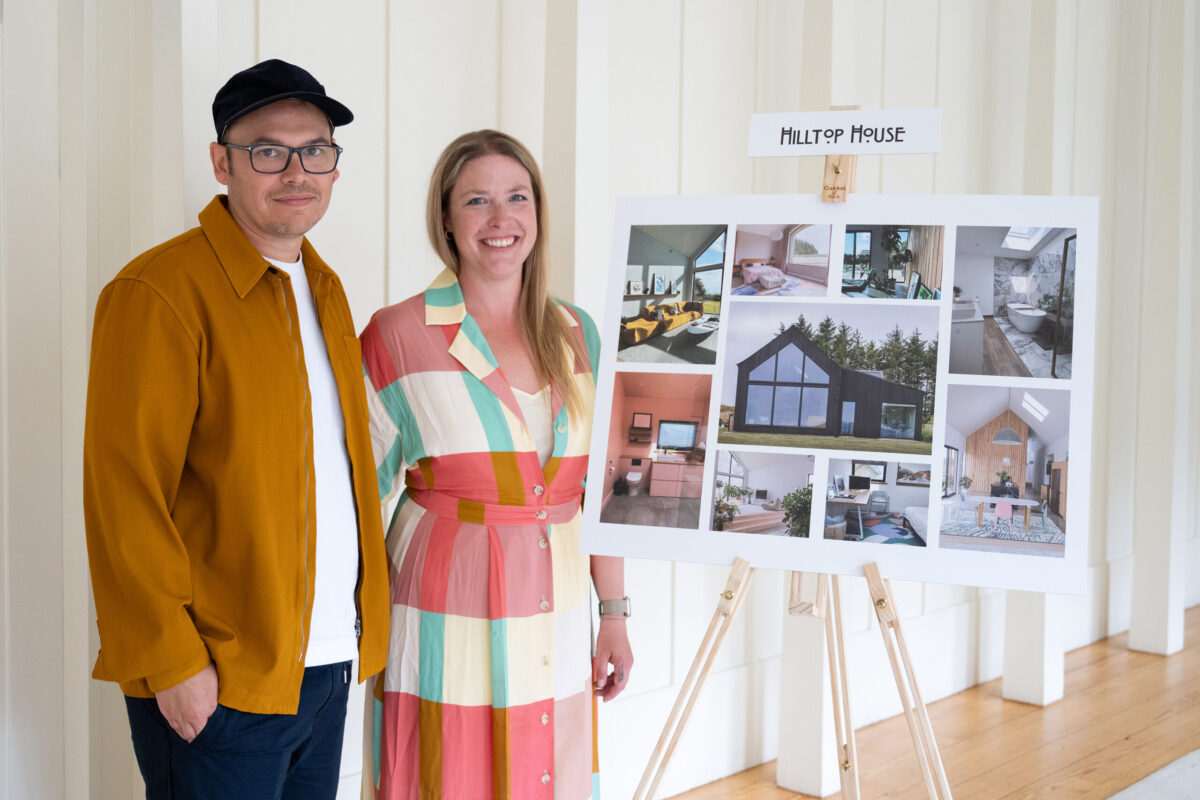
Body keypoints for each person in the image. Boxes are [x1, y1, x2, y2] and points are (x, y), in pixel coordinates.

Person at [83, 59, 389, 799]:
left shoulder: (324, 289)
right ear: (222, 162)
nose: (296, 171)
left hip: (322, 666)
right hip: (219, 677)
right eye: (267, 151)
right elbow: (124, 497)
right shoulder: (158, 292)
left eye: (316, 150)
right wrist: (174, 662)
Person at [359, 129, 634, 798]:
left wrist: (616, 615)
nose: (500, 218)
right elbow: (357, 495)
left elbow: (598, 492)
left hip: (560, 601)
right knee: (445, 774)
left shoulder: (578, 334)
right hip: (444, 606)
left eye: (517, 197)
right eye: (477, 200)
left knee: (551, 768)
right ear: (447, 220)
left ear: (537, 213)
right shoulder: (396, 334)